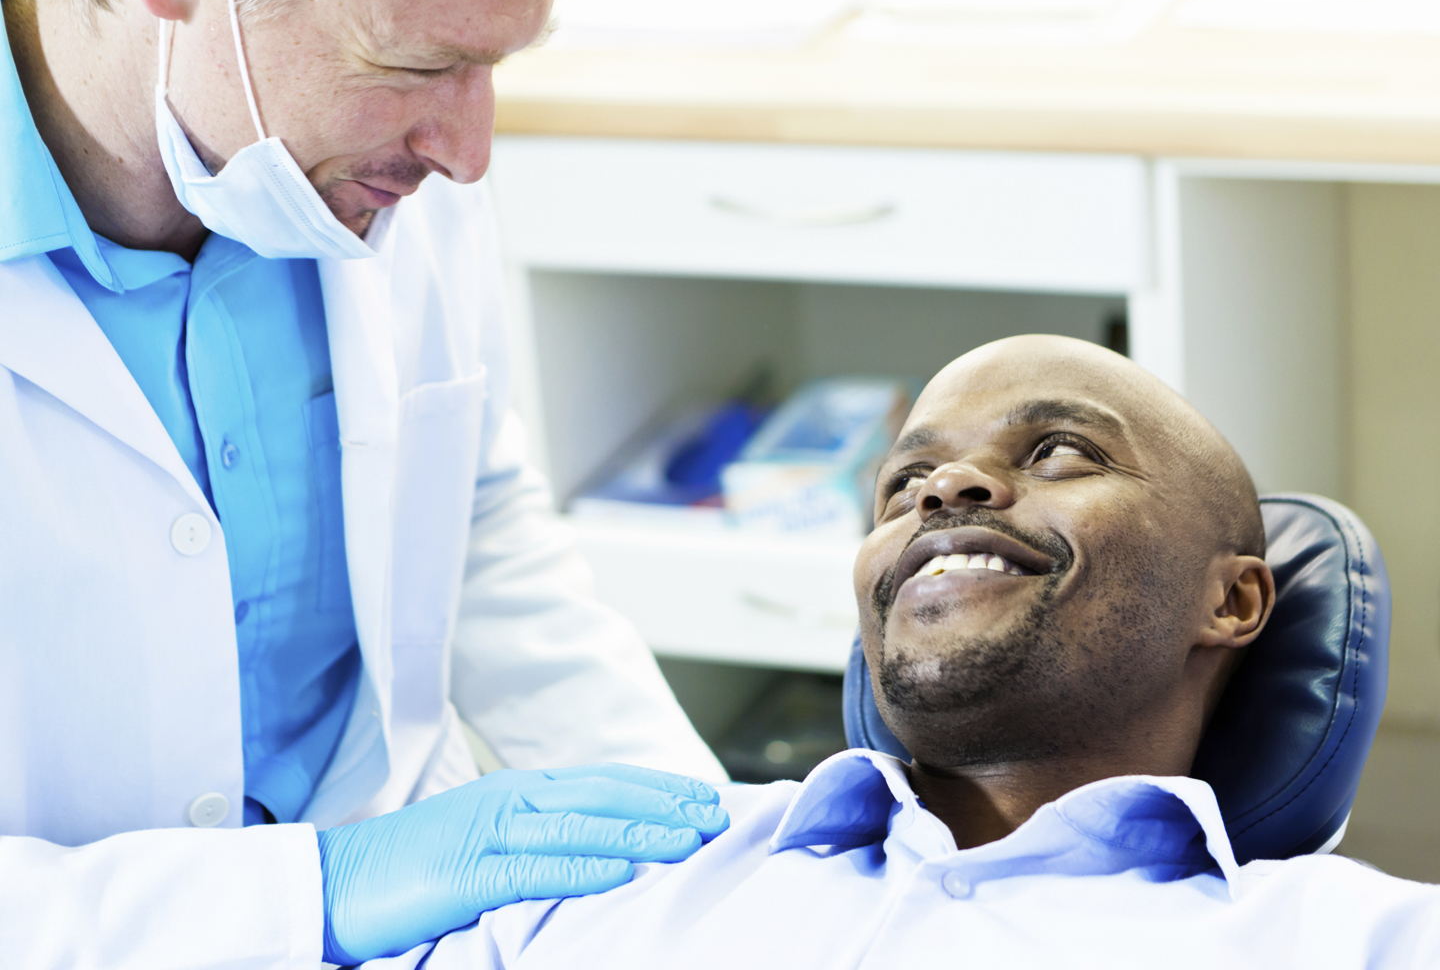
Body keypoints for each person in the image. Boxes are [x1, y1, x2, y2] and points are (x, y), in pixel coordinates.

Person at [0, 0, 730, 965]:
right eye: (419, 64)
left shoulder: (361, 164)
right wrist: (313, 896)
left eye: (493, 64)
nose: (468, 149)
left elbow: (469, 512)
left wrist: (708, 849)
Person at [394, 335, 1440, 970]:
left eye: (1059, 452)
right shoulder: (615, 881)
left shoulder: (1351, 942)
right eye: (905, 484)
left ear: (1234, 598)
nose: (946, 491)